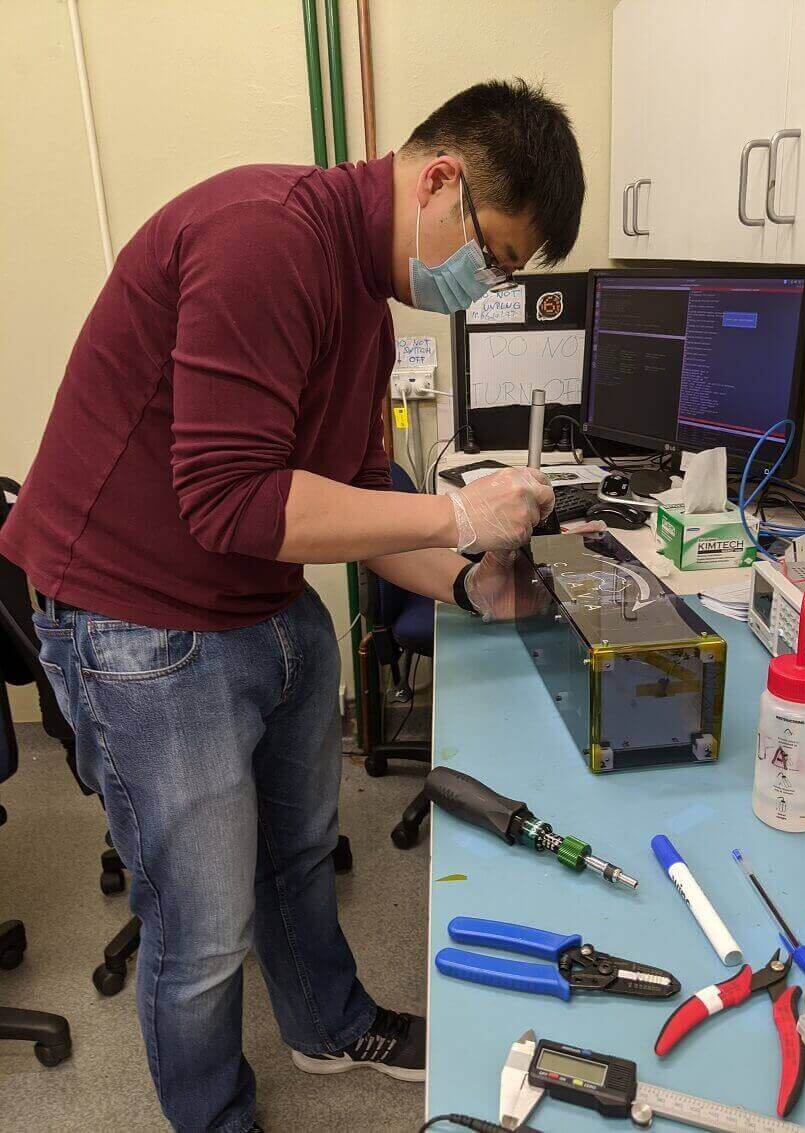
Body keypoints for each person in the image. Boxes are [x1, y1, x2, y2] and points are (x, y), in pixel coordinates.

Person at [0, 79, 584, 1132]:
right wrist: (459, 511)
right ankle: (214, 1114)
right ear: (440, 180)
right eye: (491, 256)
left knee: (300, 850)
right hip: (137, 621)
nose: (482, 283)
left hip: (258, 602)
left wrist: (465, 571)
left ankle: (325, 1021)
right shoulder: (264, 239)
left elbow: (365, 500)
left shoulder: (363, 297)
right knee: (200, 927)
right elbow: (231, 502)